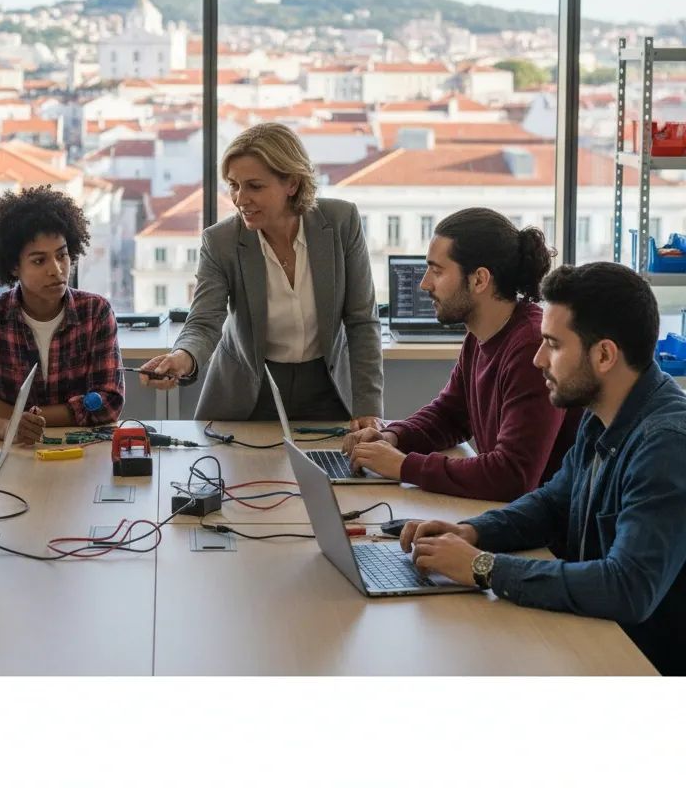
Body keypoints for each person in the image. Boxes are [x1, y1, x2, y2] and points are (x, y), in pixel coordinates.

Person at [401, 262, 686, 676]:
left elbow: (627, 587)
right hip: (596, 639)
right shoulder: (602, 409)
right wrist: (471, 532)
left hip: (642, 666)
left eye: (552, 344)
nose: (537, 360)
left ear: (604, 355)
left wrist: (484, 567)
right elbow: (553, 502)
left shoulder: (666, 444)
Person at [141, 122, 382, 423]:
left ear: (291, 184)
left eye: (255, 186)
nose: (241, 199)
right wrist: (182, 358)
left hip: (329, 388)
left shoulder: (341, 222)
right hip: (249, 392)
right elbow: (204, 322)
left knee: (334, 468)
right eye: (234, 185)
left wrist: (369, 409)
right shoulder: (221, 242)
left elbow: (362, 321)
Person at [343, 208, 579, 500]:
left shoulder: (531, 347)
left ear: (479, 280)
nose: (424, 283)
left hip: (545, 537)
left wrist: (404, 466)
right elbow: (450, 415)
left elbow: (513, 476)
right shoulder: (480, 335)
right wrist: (393, 437)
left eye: (437, 270)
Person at [0, 185, 124, 443]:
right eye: (39, 261)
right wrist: (6, 428)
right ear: (14, 266)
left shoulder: (95, 312)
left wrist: (11, 413)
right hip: (14, 451)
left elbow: (108, 402)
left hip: (78, 452)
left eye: (62, 255)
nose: (57, 270)